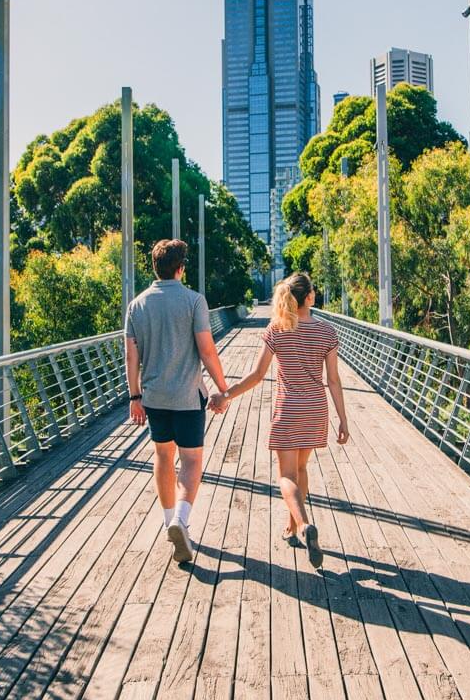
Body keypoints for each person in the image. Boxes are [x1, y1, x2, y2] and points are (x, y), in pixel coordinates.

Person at [209, 272, 349, 570]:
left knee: (286, 476)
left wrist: (226, 395)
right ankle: (293, 527)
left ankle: (304, 525)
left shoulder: (278, 329)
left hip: (288, 409)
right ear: (310, 297)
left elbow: (258, 375)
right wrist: (343, 420)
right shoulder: (327, 332)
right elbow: (334, 381)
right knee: (300, 469)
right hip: (315, 409)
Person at [125, 239, 230, 564]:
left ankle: (167, 518)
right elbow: (207, 350)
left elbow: (131, 356)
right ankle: (180, 520)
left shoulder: (137, 305)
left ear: (154, 268)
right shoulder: (193, 301)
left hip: (154, 397)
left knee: (162, 455)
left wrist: (134, 395)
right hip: (187, 395)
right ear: (181, 268)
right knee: (192, 460)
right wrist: (222, 388)